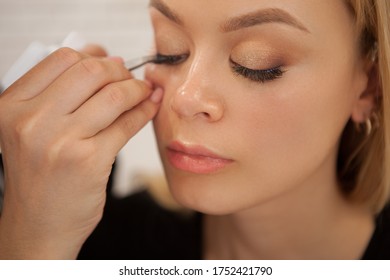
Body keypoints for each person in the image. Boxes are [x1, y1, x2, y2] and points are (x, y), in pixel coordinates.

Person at [0, 0, 389, 260]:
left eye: (256, 64)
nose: (185, 98)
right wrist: (32, 241)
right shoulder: (90, 244)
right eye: (170, 50)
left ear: (369, 86)